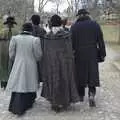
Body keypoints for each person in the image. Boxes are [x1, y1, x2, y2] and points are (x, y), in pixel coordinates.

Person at [41, 15, 79, 112]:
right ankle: (64, 101)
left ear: (51, 23)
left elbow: (45, 52)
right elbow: (70, 51)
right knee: (64, 80)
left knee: (53, 80)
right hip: (64, 62)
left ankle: (54, 103)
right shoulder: (66, 35)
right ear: (61, 23)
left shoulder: (47, 37)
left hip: (51, 63)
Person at [71, 9, 106, 107]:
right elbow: (100, 41)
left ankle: (81, 95)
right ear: (87, 15)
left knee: (79, 74)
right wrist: (102, 54)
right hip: (92, 52)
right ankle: (91, 94)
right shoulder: (95, 25)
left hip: (79, 53)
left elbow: (71, 42)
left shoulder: (74, 27)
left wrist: (71, 54)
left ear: (79, 16)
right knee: (92, 74)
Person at [6, 23, 42, 115]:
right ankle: (28, 102)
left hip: (18, 63)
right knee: (29, 82)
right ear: (31, 30)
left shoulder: (15, 38)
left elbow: (11, 54)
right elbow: (38, 56)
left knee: (19, 83)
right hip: (31, 64)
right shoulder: (35, 40)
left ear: (22, 29)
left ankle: (16, 105)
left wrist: (17, 59)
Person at [31, 14, 46, 83]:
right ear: (39, 21)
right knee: (40, 66)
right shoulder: (42, 30)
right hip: (41, 50)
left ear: (32, 21)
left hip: (31, 52)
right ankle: (40, 79)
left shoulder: (30, 30)